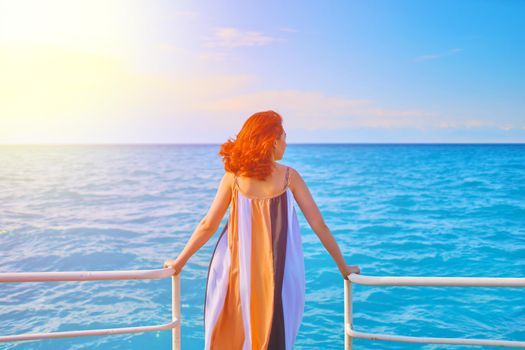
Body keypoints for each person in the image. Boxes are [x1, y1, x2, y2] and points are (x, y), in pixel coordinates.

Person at [163, 110, 361, 349]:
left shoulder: (233, 177)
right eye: (284, 137)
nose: (286, 143)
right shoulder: (289, 176)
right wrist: (343, 267)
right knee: (274, 334)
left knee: (235, 334)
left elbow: (208, 225)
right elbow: (319, 225)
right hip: (280, 272)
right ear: (273, 141)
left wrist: (180, 262)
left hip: (236, 271)